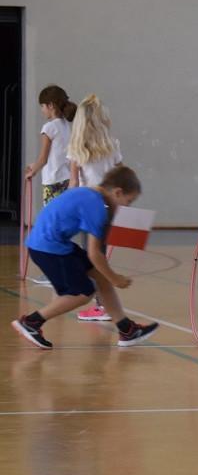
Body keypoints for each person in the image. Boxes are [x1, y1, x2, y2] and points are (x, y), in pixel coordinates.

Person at [11, 165, 158, 350]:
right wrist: (116, 279)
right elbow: (94, 253)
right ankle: (32, 322)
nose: (127, 207)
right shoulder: (96, 206)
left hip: (54, 243)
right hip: (48, 248)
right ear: (118, 192)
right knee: (82, 293)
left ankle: (126, 329)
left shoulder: (92, 196)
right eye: (128, 202)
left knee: (100, 275)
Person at [67, 94, 123, 321]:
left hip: (86, 206)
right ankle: (104, 303)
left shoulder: (77, 148)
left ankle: (102, 305)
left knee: (93, 256)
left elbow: (73, 183)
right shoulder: (112, 145)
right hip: (107, 205)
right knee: (99, 253)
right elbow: (121, 175)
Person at [26, 85, 77, 205]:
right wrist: (35, 165)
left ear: (51, 105)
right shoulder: (65, 126)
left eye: (42, 106)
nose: (42, 110)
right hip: (66, 178)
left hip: (52, 181)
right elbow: (55, 154)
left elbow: (43, 158)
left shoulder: (49, 128)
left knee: (52, 216)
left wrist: (32, 172)